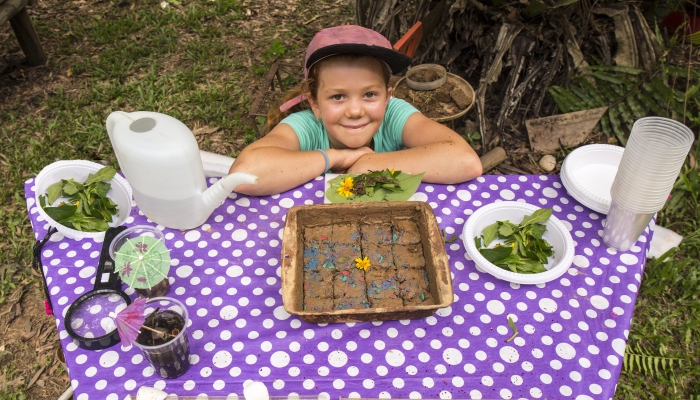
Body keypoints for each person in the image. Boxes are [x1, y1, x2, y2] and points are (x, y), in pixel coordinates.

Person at [229, 25, 482, 196]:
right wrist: (336, 158)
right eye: (338, 96)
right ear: (315, 103)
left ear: (387, 97)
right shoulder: (305, 126)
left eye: (370, 94)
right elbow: (243, 175)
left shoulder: (394, 115)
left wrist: (369, 163)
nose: (355, 110)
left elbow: (465, 161)